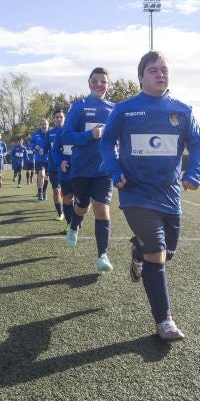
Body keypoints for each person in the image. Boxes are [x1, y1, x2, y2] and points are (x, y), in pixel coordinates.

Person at [100, 51, 200, 341]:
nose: (161, 74)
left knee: (165, 253)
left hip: (170, 195)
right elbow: (107, 142)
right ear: (141, 76)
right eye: (153, 70)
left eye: (164, 70)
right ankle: (164, 321)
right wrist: (113, 169)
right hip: (135, 194)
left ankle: (137, 251)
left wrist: (195, 173)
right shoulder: (124, 110)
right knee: (157, 251)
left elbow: (197, 146)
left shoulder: (182, 110)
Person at [62, 68, 116, 273]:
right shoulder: (79, 107)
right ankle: (74, 225)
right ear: (89, 82)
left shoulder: (114, 109)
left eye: (103, 81)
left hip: (104, 170)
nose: (99, 84)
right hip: (81, 169)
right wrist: (90, 135)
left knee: (101, 208)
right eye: (95, 81)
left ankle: (103, 255)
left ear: (108, 85)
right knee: (82, 206)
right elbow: (66, 136)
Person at [46, 109, 67, 221]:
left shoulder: (69, 131)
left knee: (68, 192)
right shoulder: (49, 133)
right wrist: (39, 148)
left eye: (61, 117)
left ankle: (69, 209)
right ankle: (60, 212)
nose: (59, 119)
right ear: (54, 119)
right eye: (57, 117)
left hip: (68, 166)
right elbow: (46, 148)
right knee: (56, 190)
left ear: (64, 118)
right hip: (53, 167)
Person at [30, 118, 51, 201]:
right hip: (39, 159)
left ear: (48, 125)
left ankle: (44, 192)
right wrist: (34, 146)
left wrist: (46, 150)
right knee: (41, 175)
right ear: (40, 125)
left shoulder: (50, 134)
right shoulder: (35, 134)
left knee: (46, 177)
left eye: (45, 124)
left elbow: (54, 145)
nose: (44, 126)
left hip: (49, 159)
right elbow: (31, 143)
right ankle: (40, 192)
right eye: (42, 124)